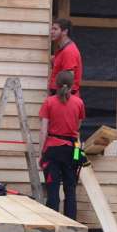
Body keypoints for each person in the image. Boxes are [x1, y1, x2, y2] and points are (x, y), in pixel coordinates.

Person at [38, 70, 87, 219]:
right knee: (70, 190)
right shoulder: (79, 103)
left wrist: (41, 153)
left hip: (52, 149)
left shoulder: (49, 102)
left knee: (52, 191)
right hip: (73, 150)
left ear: (56, 84)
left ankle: (52, 226)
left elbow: (43, 130)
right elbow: (77, 127)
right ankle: (71, 227)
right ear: (72, 86)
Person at [48, 18, 82, 95]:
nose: (52, 32)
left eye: (55, 29)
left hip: (64, 98)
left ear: (65, 32)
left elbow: (68, 80)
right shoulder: (63, 50)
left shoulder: (69, 51)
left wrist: (60, 101)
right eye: (52, 29)